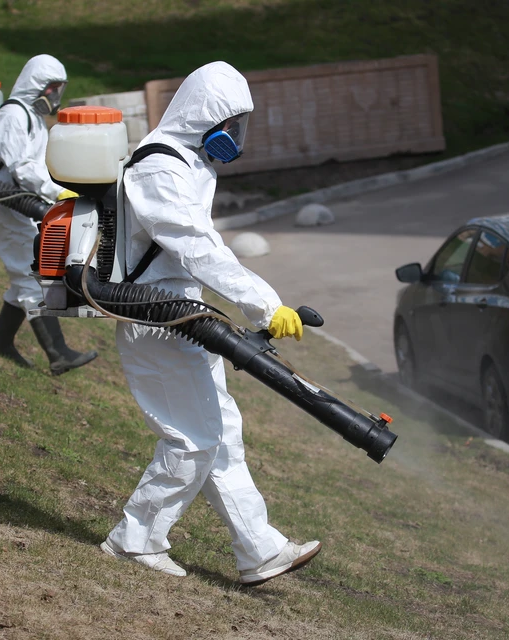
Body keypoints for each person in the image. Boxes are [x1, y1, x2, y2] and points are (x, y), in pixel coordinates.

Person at [99, 61, 321, 586]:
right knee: (192, 440)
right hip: (154, 319)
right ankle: (135, 541)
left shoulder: (190, 162)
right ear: (205, 115)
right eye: (231, 122)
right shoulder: (160, 167)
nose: (236, 136)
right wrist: (264, 304)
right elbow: (196, 247)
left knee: (221, 436)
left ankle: (259, 549)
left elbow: (203, 248)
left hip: (184, 318)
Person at [0, 54, 97, 376]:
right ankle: (58, 353)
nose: (54, 97)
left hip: (25, 206)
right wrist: (56, 192)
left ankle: (1, 343)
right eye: (51, 89)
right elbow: (21, 167)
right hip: (6, 205)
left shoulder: (33, 117)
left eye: (58, 90)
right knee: (33, 277)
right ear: (37, 85)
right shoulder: (12, 116)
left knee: (24, 276)